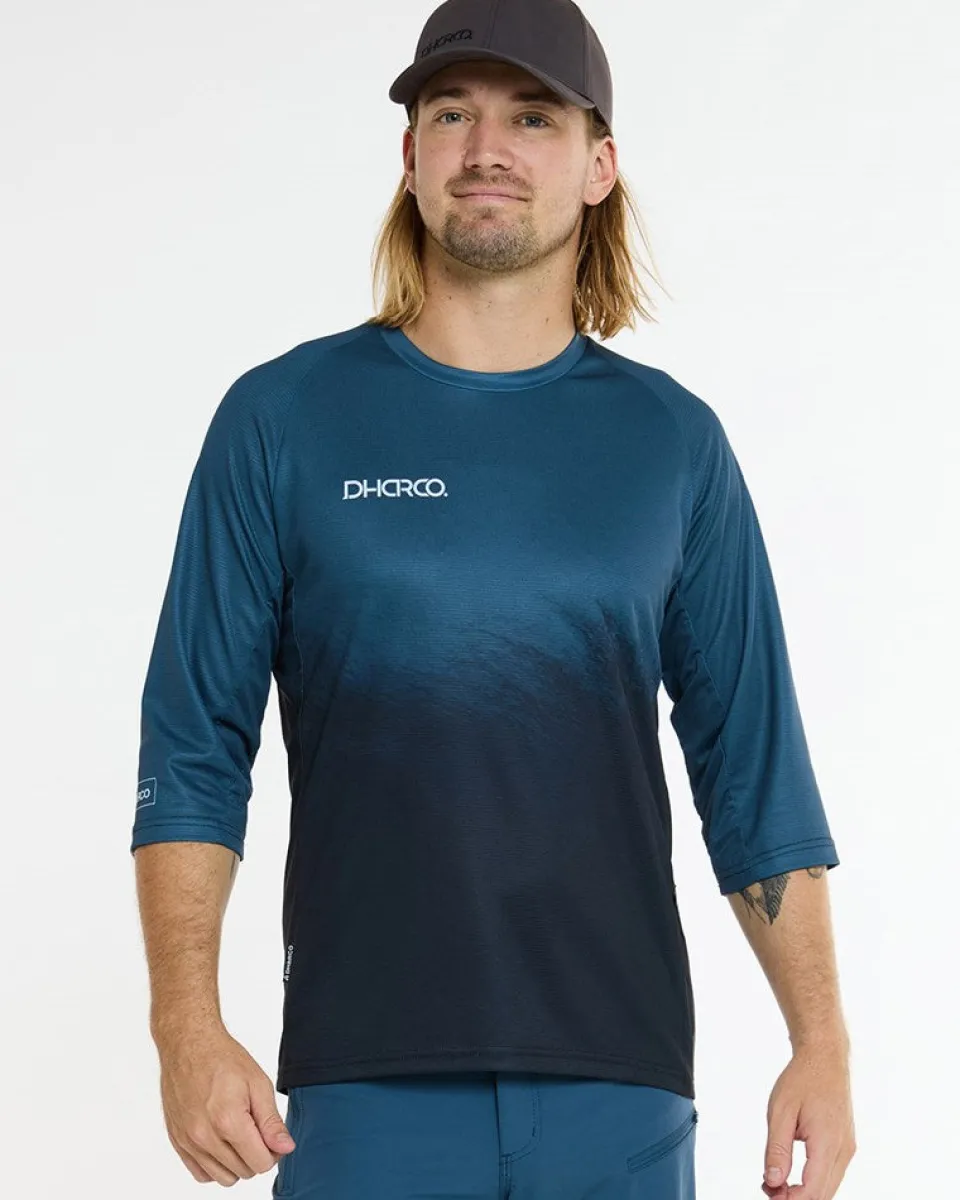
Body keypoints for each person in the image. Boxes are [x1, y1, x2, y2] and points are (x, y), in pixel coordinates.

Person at [130, 0, 856, 1196]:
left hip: (620, 1083)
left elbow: (753, 766)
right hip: (362, 1081)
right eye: (451, 114)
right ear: (410, 155)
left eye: (532, 117)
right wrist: (185, 1028)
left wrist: (820, 1041)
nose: (486, 148)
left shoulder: (671, 443)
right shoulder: (284, 419)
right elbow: (192, 744)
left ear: (599, 164)